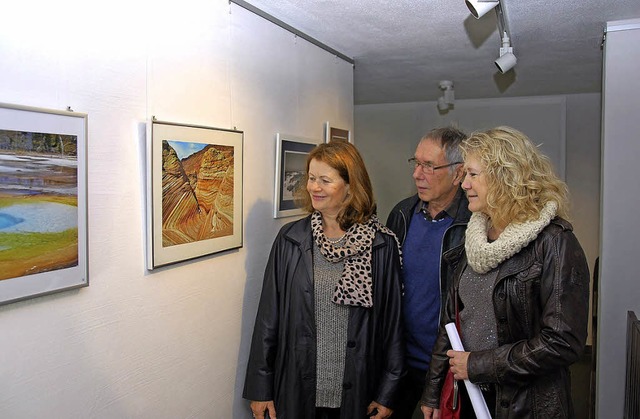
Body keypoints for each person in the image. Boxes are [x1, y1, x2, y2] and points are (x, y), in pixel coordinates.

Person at [420, 126, 590, 418]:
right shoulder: (474, 236)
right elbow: (451, 324)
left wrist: (477, 364)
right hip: (469, 398)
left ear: (505, 178)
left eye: (473, 174)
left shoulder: (555, 242)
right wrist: (433, 392)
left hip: (527, 405)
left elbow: (563, 342)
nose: (464, 184)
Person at [243, 141, 404, 419]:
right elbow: (268, 319)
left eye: (325, 180)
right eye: (312, 178)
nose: (313, 187)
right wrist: (260, 388)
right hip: (297, 385)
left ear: (351, 186)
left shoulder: (381, 244)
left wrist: (388, 391)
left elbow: (393, 325)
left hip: (359, 389)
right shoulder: (291, 239)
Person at [386, 126, 470, 419]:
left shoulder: (474, 225)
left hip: (448, 369)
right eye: (416, 163)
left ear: (459, 173)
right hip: (398, 364)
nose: (417, 174)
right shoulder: (401, 214)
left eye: (429, 166)